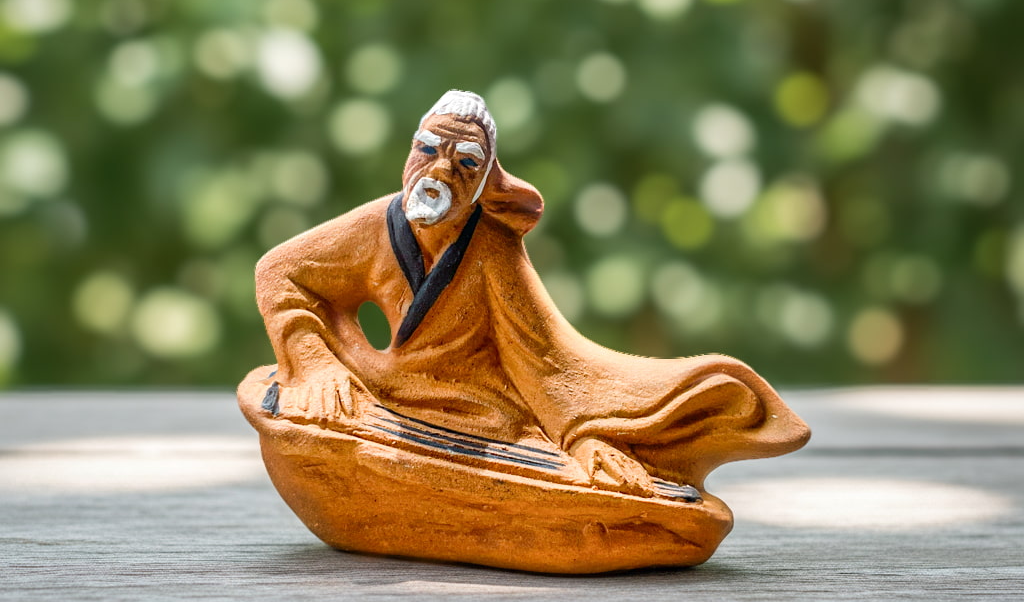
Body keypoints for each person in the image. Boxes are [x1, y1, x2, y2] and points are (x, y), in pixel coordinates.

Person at [255, 89, 809, 494]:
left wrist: (580, 437)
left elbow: (541, 358)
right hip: (379, 397)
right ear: (409, 153)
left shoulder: (491, 249)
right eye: (428, 149)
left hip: (478, 418)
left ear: (485, 183)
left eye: (465, 162)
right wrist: (314, 363)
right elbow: (278, 271)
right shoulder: (375, 224)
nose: (440, 170)